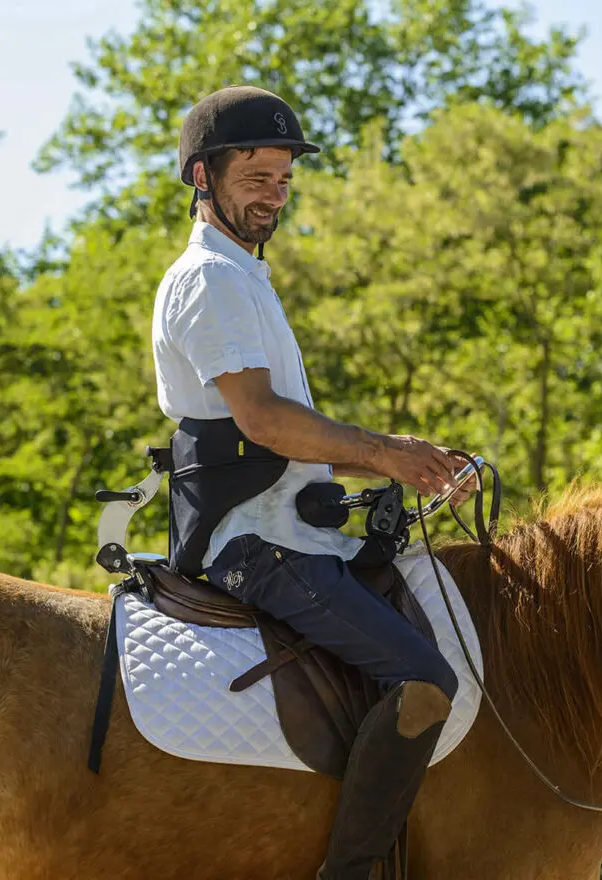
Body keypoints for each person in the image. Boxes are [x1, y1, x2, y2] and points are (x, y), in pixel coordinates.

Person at [151, 85, 464, 879]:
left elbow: (285, 435)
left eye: (284, 180)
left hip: (294, 527)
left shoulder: (247, 278)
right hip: (256, 544)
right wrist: (387, 454)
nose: (273, 193)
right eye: (256, 175)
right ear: (201, 176)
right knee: (426, 679)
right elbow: (260, 419)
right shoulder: (211, 281)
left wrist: (394, 467)